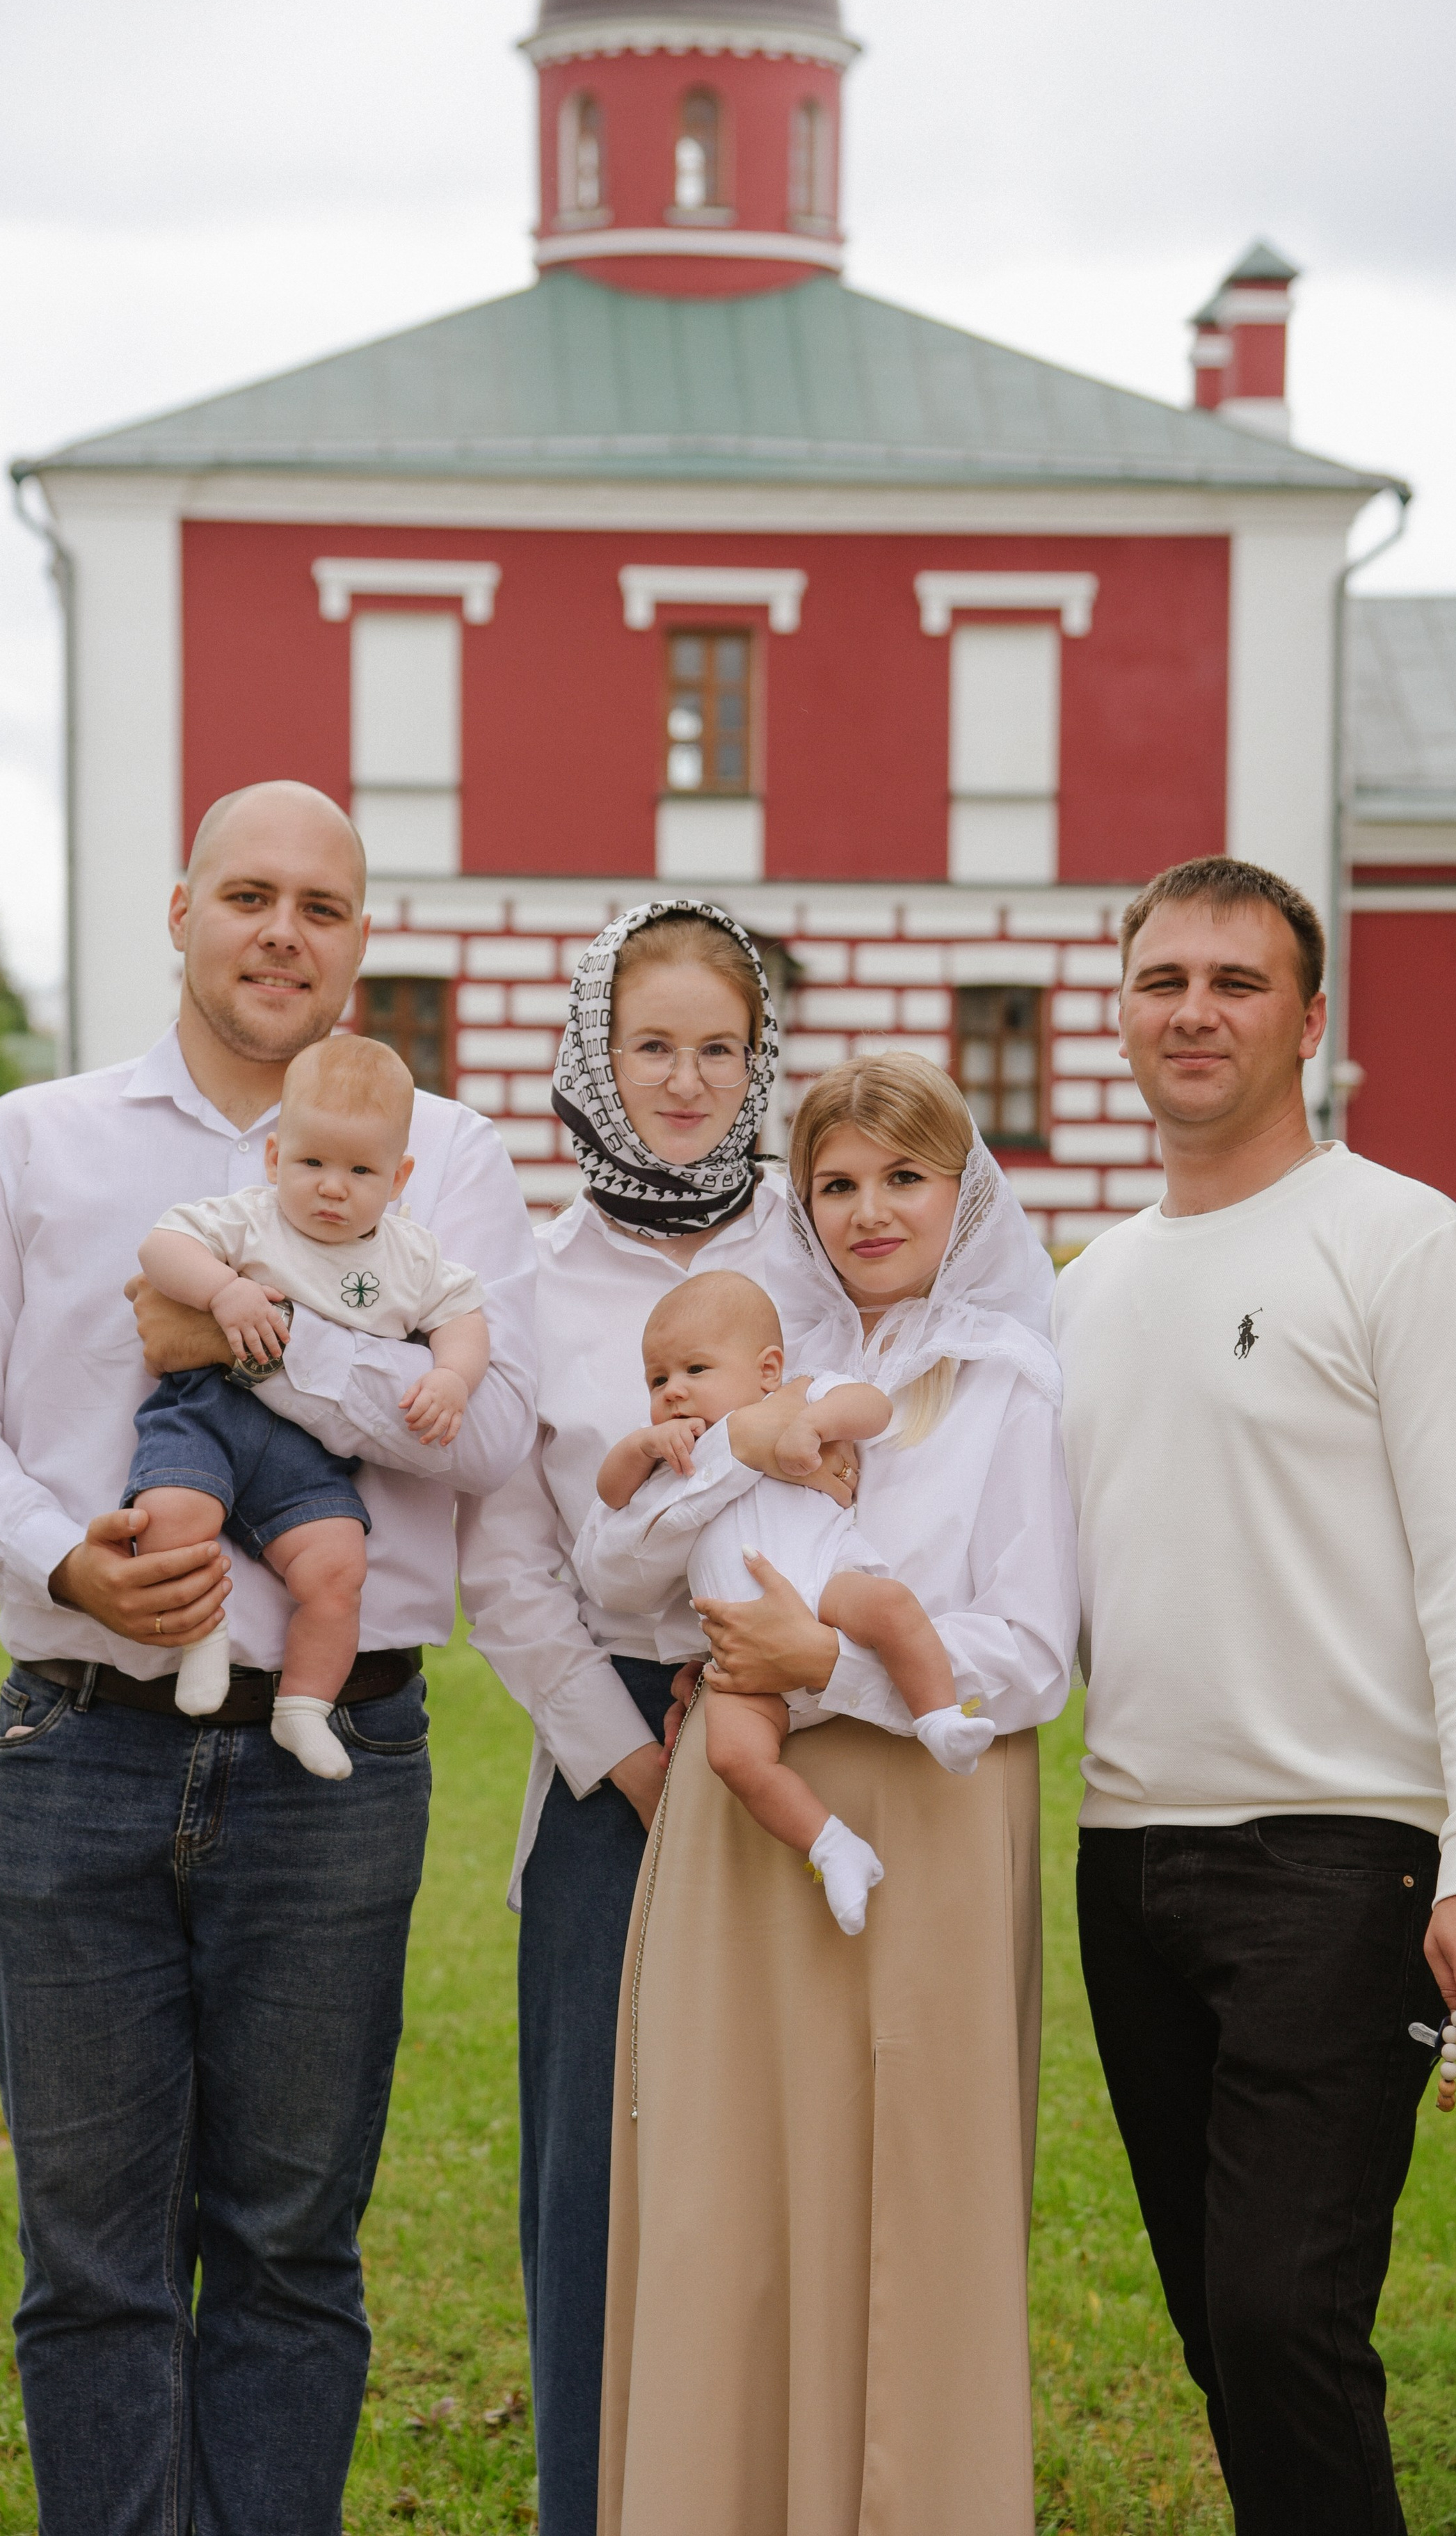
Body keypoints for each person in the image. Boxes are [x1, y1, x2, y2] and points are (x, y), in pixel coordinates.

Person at [0, 781, 537, 2536]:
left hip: (339, 1768)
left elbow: (492, 1437)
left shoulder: (447, 1158)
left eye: (322, 904)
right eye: (249, 893)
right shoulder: (36, 1141)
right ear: (178, 909)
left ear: (360, 935)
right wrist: (66, 1556)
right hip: (76, 1744)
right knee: (89, 2258)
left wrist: (273, 1344)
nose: (282, 931)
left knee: (291, 2250)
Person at [1054, 853, 1456, 2536]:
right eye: (1159, 978)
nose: (1190, 1008)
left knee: (1282, 2308)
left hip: (1336, 1858)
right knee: (1226, 2323)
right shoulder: (1081, 1289)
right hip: (1123, 1856)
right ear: (1119, 1012)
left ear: (1308, 1019)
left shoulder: (1402, 1243)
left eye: (1234, 979)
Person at [583, 1050, 1080, 2536]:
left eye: (903, 1179)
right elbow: (614, 1574)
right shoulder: (745, 1369)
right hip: (745, 1836)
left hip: (921, 1815)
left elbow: (1036, 1651)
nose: (870, 1212)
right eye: (836, 1185)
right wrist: (731, 1439)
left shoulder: (1003, 1384)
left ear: (960, 1188)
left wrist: (832, 1665)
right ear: (798, 1206)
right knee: (724, 2199)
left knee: (908, 2205)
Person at [456, 899, 797, 2536]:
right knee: (596, 2179)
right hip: (616, 1772)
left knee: (783, 2160)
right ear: (593, 1052)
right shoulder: (527, 1281)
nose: (682, 1081)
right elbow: (510, 1569)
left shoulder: (814, 1246)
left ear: (759, 1063)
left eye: (716, 1048)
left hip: (807, 1727)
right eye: (648, 1045)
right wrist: (646, 1762)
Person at [586, 1268, 996, 1932]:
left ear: (768, 1368)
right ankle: (832, 1845)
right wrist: (641, 1445)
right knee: (734, 1757)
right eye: (657, 1380)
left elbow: (875, 1408)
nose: (674, 1391)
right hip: (740, 1653)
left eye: (694, 1368)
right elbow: (610, 1495)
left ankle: (939, 1718)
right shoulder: (676, 1454)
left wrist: (815, 1423)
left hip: (826, 1584)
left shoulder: (806, 1391)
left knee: (891, 1608)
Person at [131, 1030, 490, 1776]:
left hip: (311, 1454)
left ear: (399, 1177)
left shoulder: (409, 1255)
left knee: (336, 1571)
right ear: (274, 1159)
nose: (333, 1186)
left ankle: (304, 1706)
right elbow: (161, 1247)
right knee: (171, 1518)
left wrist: (452, 1376)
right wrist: (222, 1289)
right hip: (209, 1411)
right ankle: (203, 1645)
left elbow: (463, 1314)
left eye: (361, 1169)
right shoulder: (252, 1217)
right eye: (312, 1162)